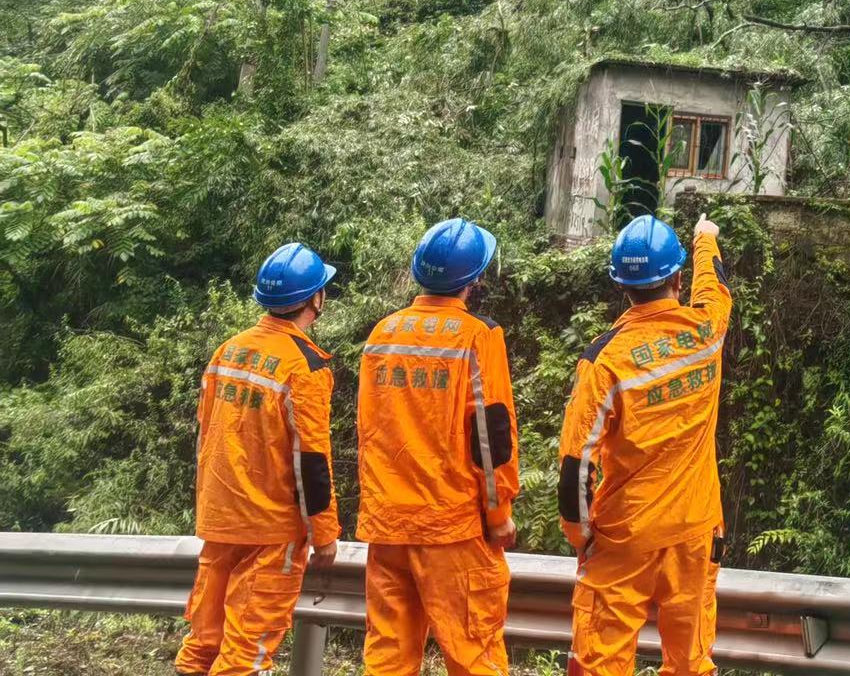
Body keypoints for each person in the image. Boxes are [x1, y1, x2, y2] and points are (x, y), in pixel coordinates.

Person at [558, 213, 733, 676]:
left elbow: (576, 461)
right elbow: (714, 285)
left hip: (624, 538)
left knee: (601, 664)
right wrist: (705, 238)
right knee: (690, 663)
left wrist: (580, 534)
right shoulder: (706, 330)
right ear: (677, 279)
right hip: (695, 532)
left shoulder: (605, 359)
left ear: (622, 286)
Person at [357, 217, 520, 676]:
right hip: (452, 528)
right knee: (475, 657)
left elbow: (369, 428)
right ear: (474, 279)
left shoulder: (382, 333)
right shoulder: (478, 335)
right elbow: (491, 436)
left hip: (388, 524)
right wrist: (498, 515)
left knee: (388, 659)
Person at [175, 242, 339, 676]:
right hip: (270, 528)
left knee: (203, 642)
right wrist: (323, 533)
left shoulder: (228, 350)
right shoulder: (305, 365)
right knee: (246, 652)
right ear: (314, 299)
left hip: (221, 517)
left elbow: (206, 429)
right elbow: (311, 458)